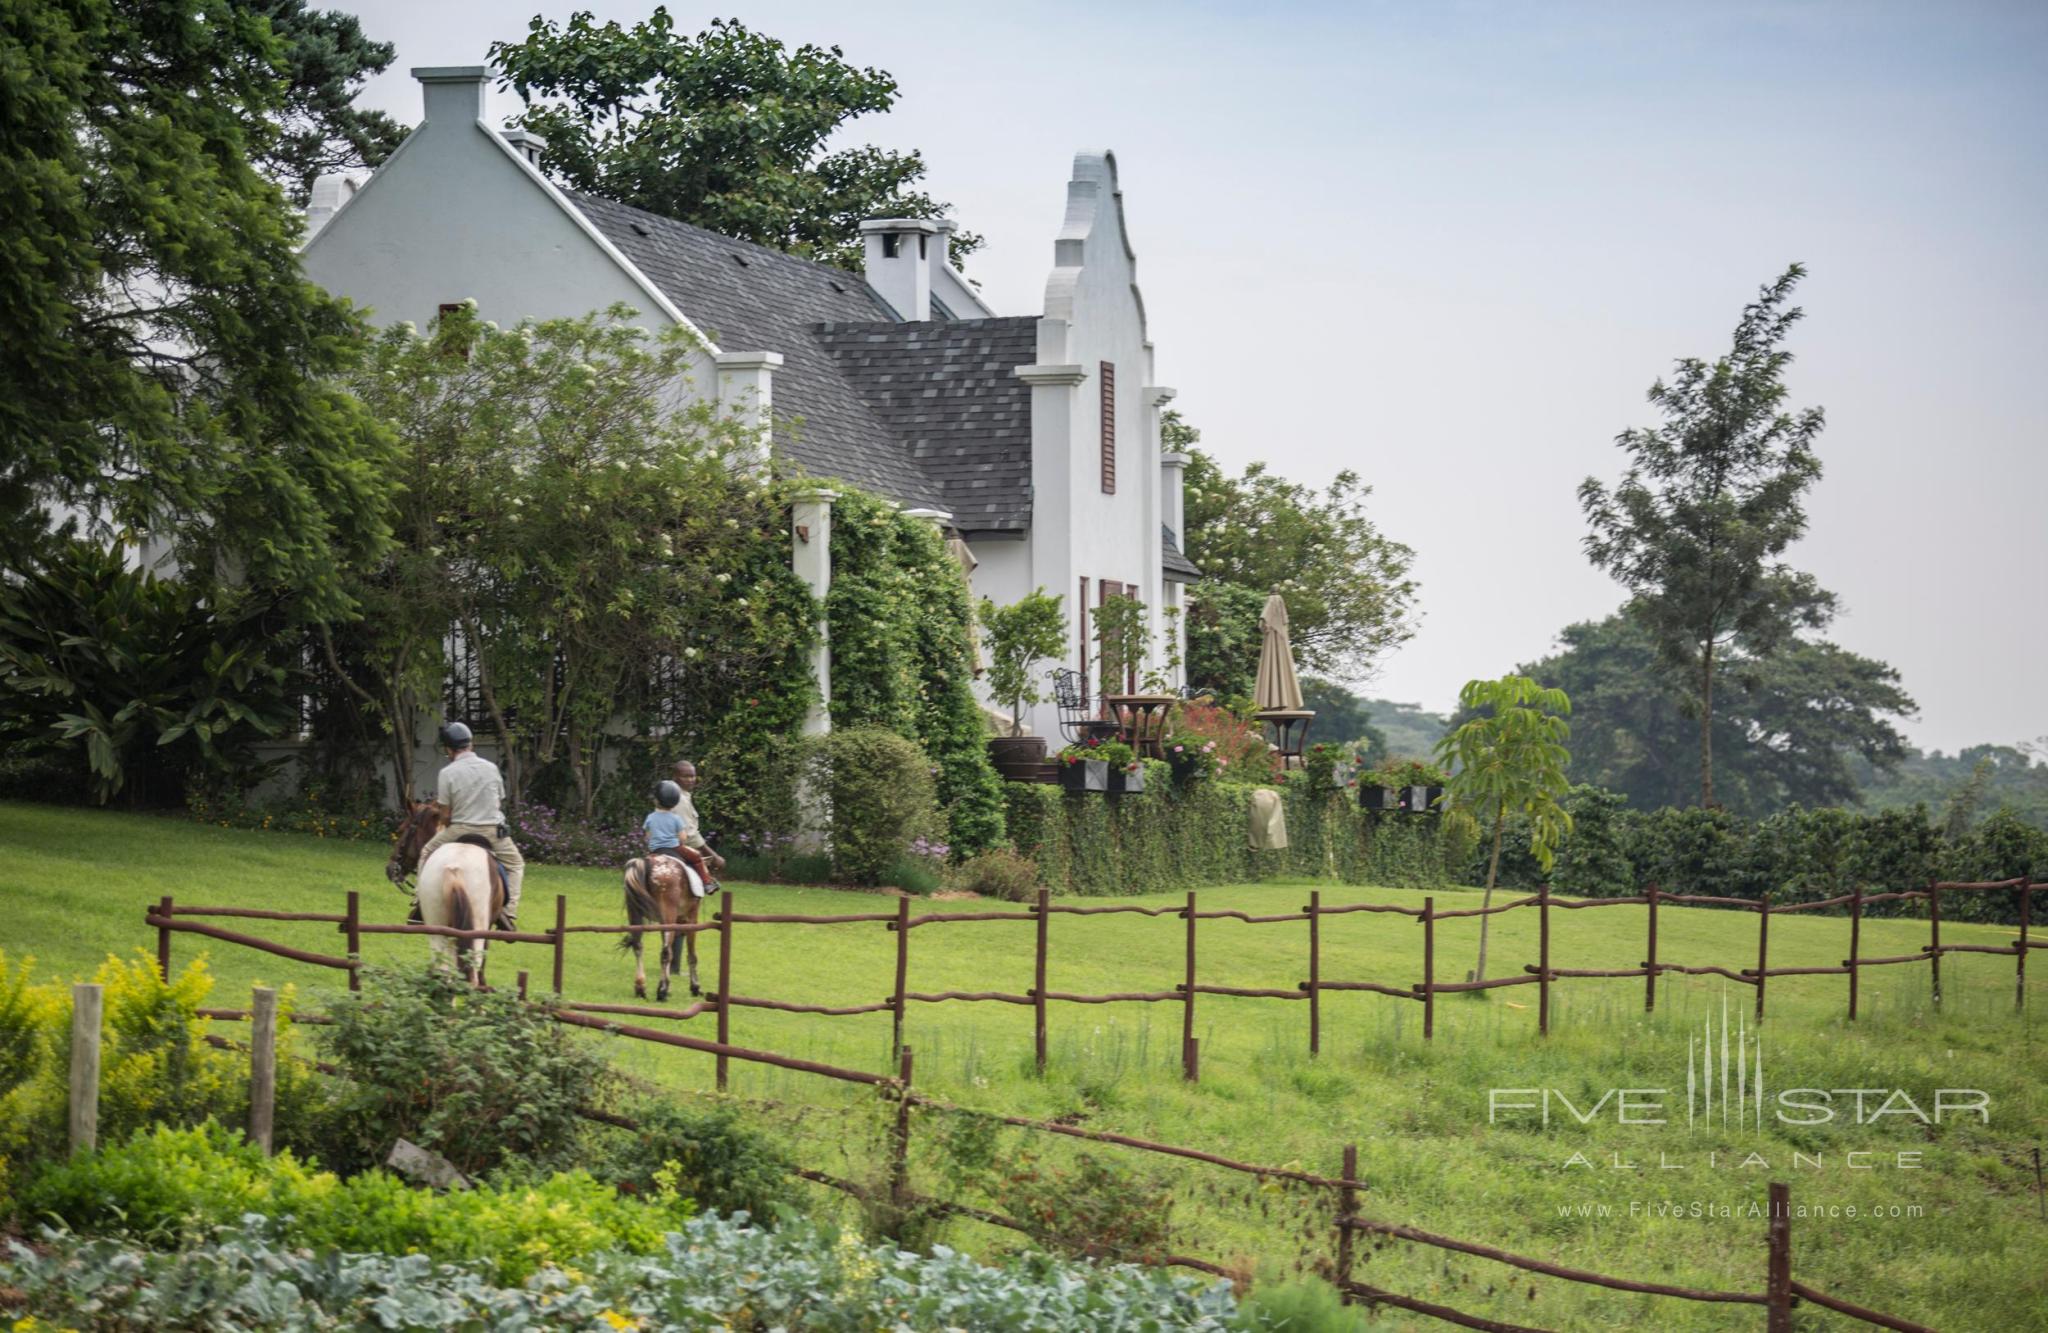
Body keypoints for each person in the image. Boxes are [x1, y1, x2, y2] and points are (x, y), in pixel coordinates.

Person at [417, 721, 525, 929]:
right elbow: (498, 802)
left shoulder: (447, 773)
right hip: (492, 831)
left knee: (426, 852)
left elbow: (446, 814)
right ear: (471, 744)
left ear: (448, 749)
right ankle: (509, 914)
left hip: (460, 830)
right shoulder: (492, 768)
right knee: (516, 865)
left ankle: (420, 904)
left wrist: (445, 824)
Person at [644, 780, 715, 894]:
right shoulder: (676, 819)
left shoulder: (650, 817)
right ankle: (707, 883)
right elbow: (683, 838)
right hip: (674, 848)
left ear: (656, 800)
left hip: (655, 849)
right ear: (675, 802)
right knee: (697, 857)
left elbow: (648, 836)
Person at [669, 759, 727, 876]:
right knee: (698, 861)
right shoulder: (680, 799)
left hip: (659, 846)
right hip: (677, 847)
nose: (690, 780)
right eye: (685, 777)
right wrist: (714, 857)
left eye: (693, 776)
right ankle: (708, 883)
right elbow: (690, 835)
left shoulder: (669, 793)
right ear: (675, 777)